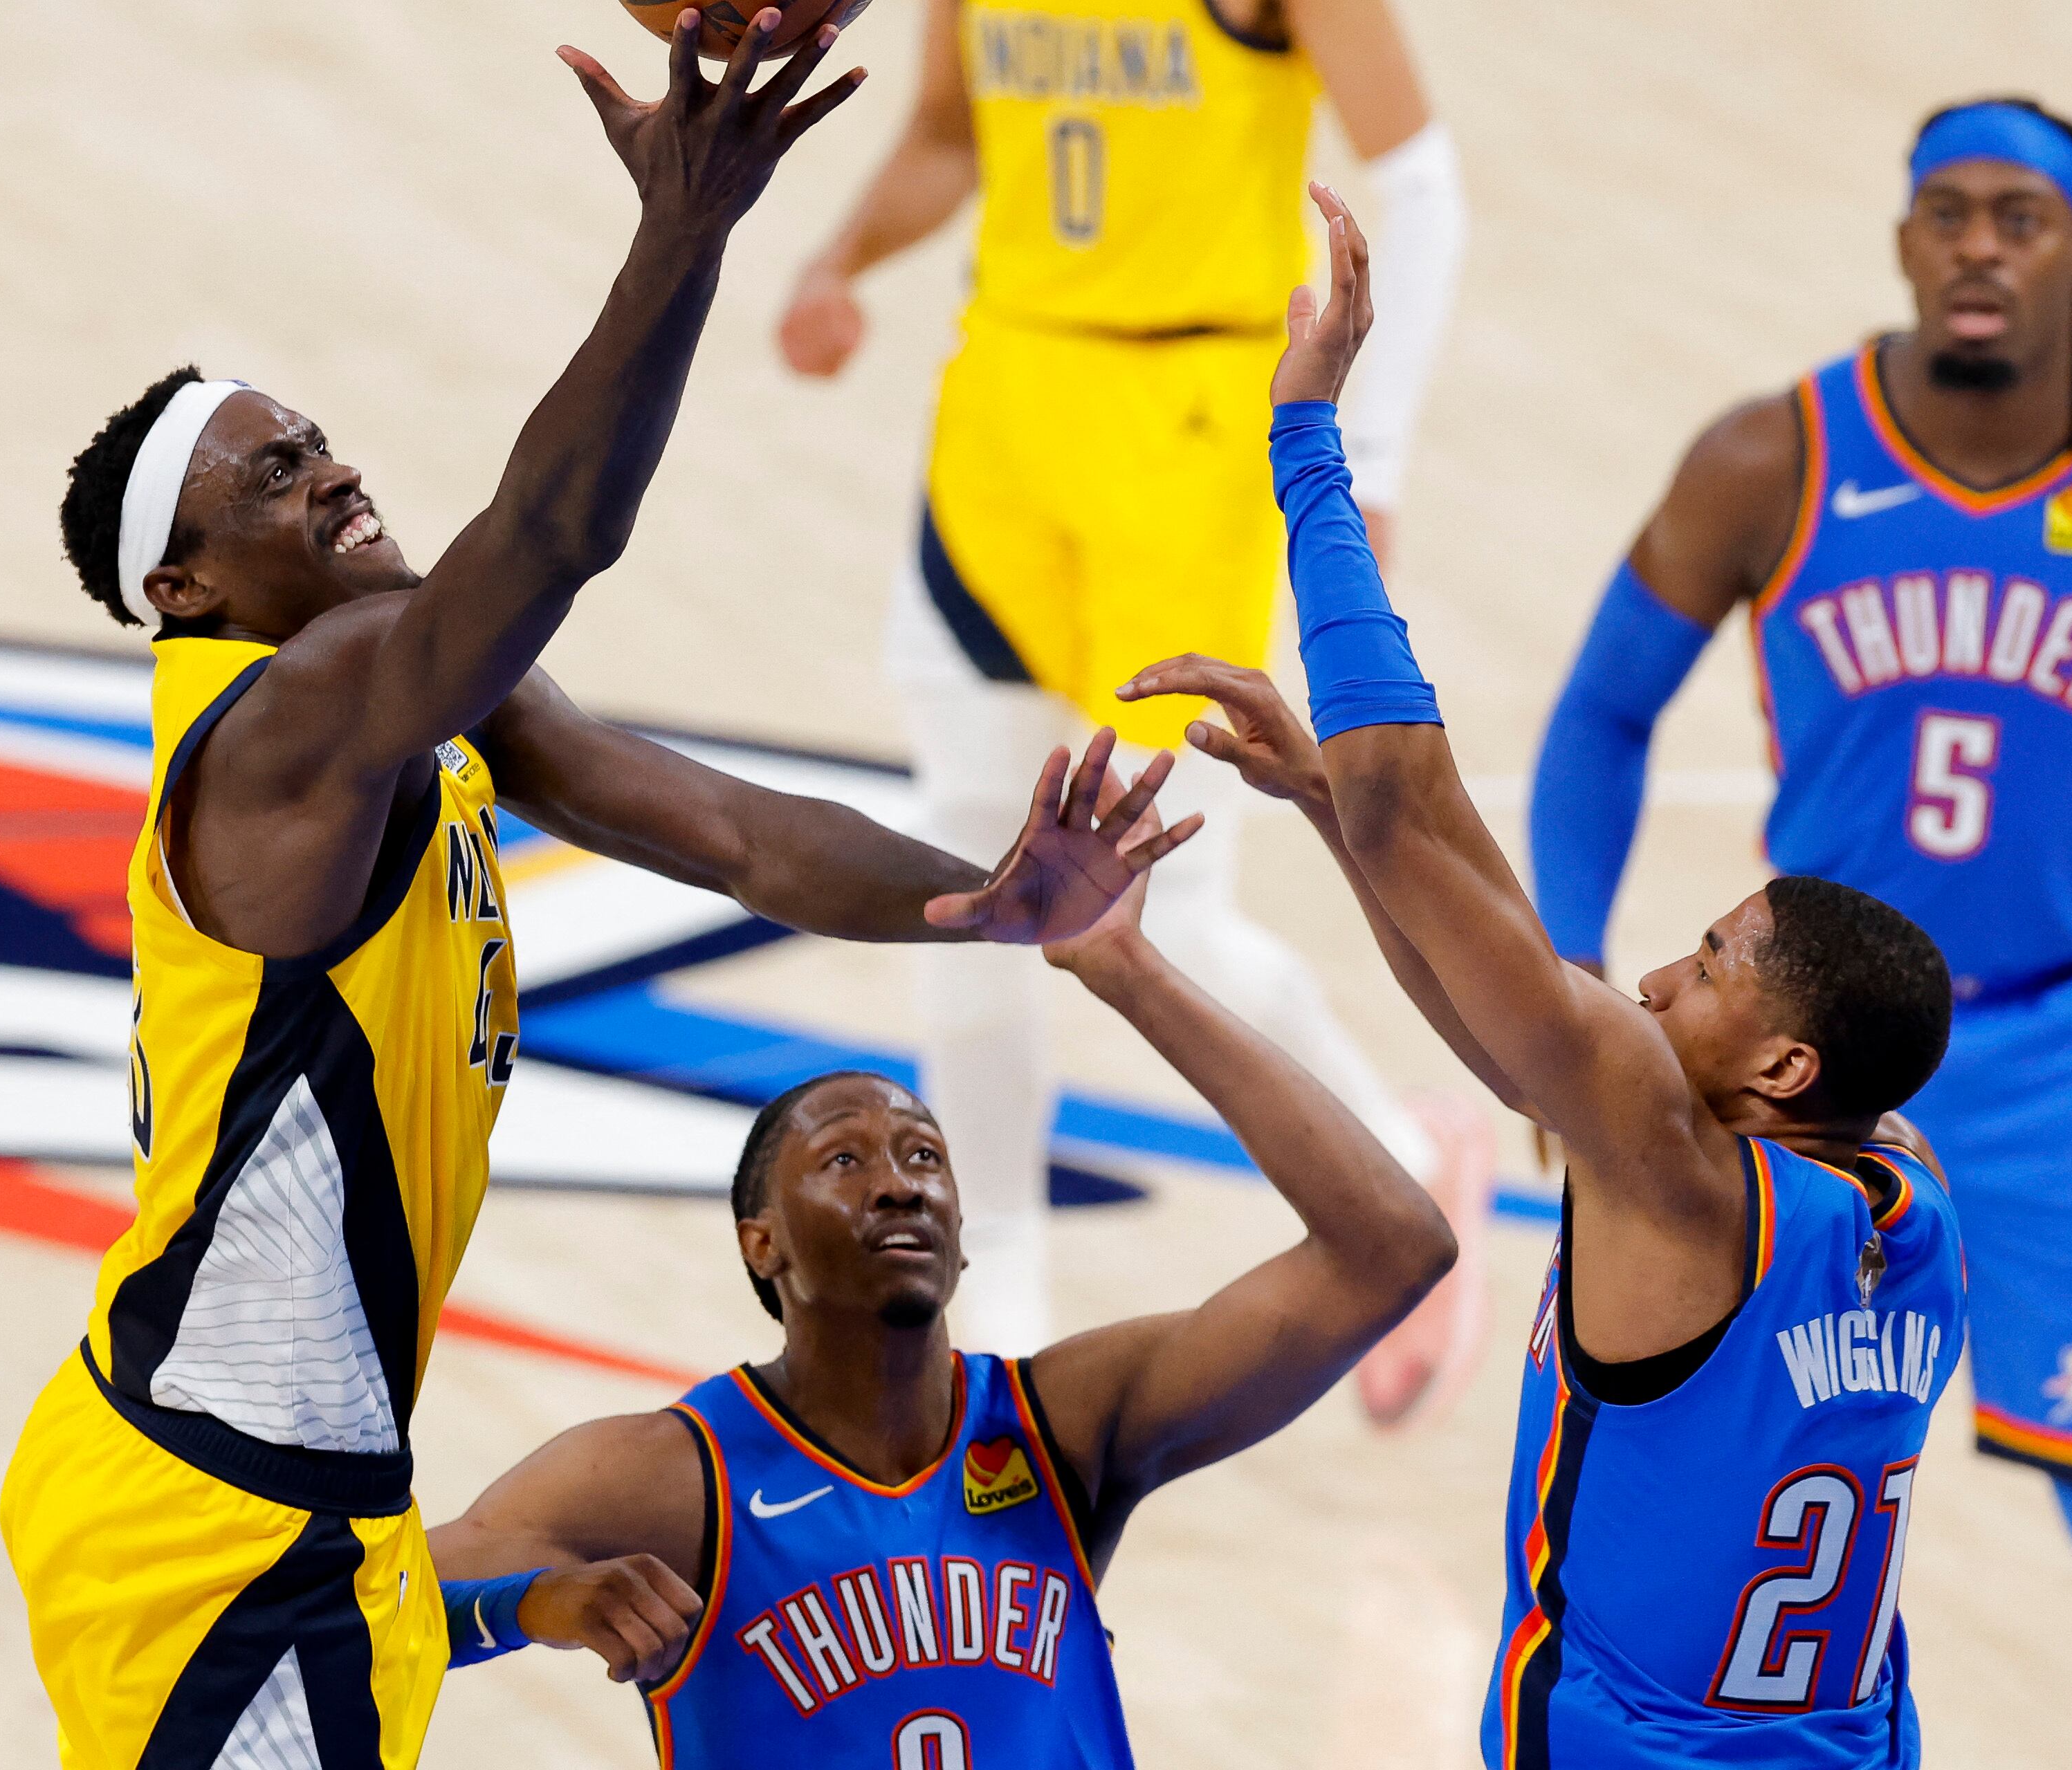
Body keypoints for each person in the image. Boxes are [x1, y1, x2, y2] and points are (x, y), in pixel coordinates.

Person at [0, 14, 1170, 1770]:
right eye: (271, 471)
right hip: (204, 1511)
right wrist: (682, 230)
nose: (329, 470)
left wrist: (995, 904)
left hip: (300, 1482)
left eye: (317, 435)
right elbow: (547, 541)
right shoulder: (283, 725)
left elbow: (730, 836)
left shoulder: (407, 706)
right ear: (184, 582)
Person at [1521, 98, 2072, 1770]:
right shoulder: (1775, 459)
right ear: (1903, 239)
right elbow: (1603, 711)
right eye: (1949, 213)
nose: (1982, 245)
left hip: (2067, 1061)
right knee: (1716, 1487)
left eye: (2023, 218)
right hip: (1802, 1075)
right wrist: (1568, 986)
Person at [1124, 190, 1969, 1765]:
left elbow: (1412, 793)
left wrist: (1309, 441)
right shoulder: (1909, 1199)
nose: (1655, 978)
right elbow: (1509, 1019)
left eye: (1714, 964)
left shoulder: (1671, 1168)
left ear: (1785, 1069)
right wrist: (1326, 810)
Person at [772, 0, 1487, 1423]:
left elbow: (1426, 183)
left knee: (1176, 902)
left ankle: (1408, 1155)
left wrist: (1367, 456)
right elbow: (953, 129)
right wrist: (841, 254)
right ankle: (995, 1274)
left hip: (1191, 433)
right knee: (966, 881)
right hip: (1007, 414)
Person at [416, 734, 1457, 1767]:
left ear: (965, 1237)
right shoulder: (669, 1479)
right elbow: (347, 1606)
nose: (900, 1181)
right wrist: (521, 1608)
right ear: (761, 1243)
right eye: (844, 1161)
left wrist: (1127, 970)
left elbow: (1391, 1248)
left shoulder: (1067, 1428)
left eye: (925, 1155)